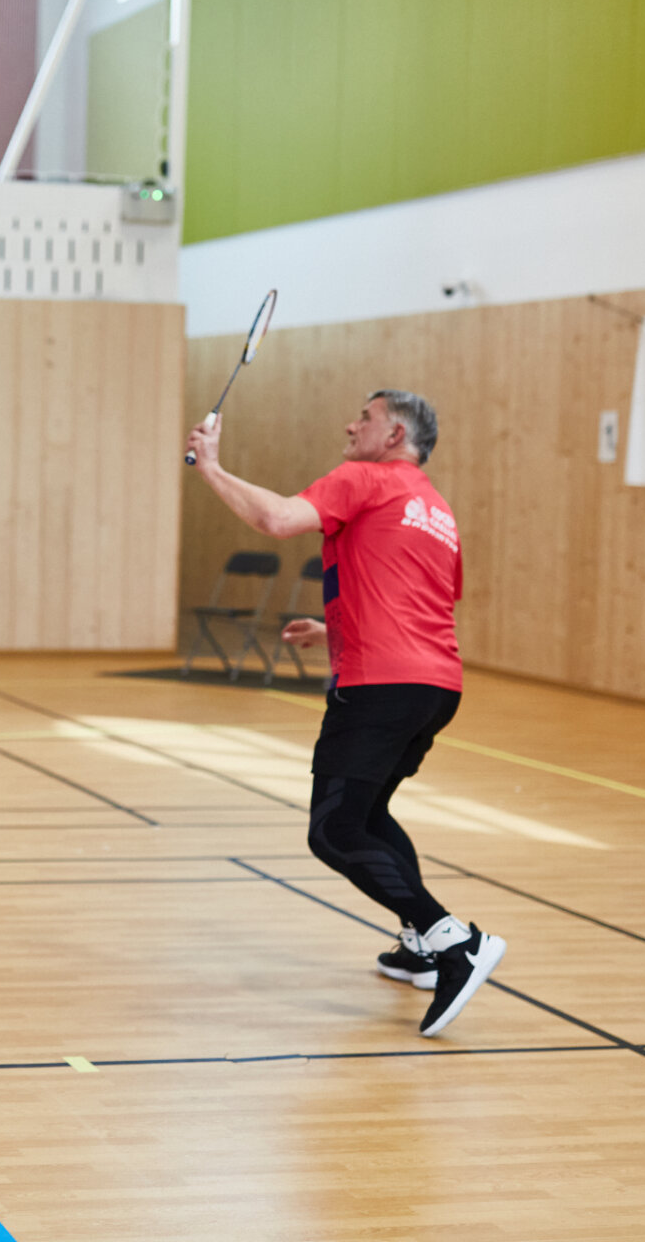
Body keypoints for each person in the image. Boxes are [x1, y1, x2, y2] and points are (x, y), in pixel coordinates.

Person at [185, 390, 507, 1037]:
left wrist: (212, 467)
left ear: (395, 436)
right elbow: (418, 601)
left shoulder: (365, 478)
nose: (350, 425)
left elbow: (277, 518)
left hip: (380, 685)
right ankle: (419, 948)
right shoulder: (436, 510)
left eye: (365, 417)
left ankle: (454, 941)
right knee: (370, 814)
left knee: (333, 830)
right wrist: (333, 630)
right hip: (435, 687)